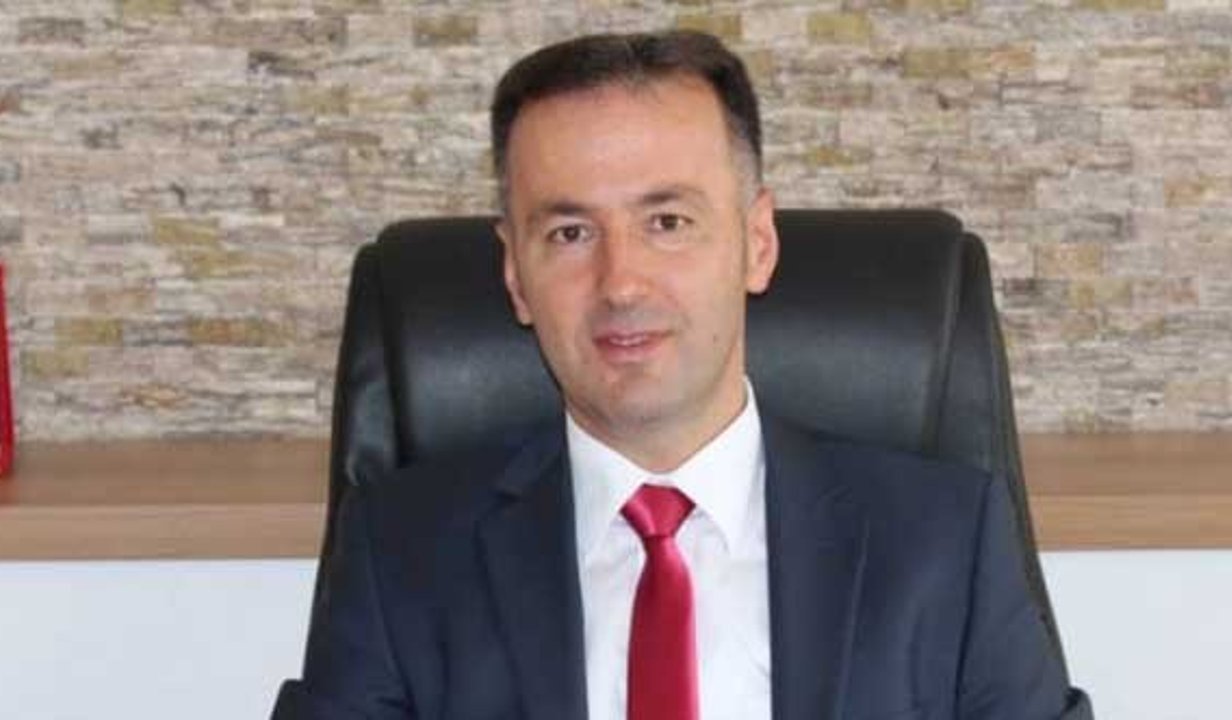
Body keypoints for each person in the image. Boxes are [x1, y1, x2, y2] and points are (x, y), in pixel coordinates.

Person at [272, 30, 1092, 720]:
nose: (621, 283)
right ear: (515, 275)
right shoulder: (401, 555)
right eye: (569, 234)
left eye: (667, 222)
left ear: (756, 243)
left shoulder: (942, 543)